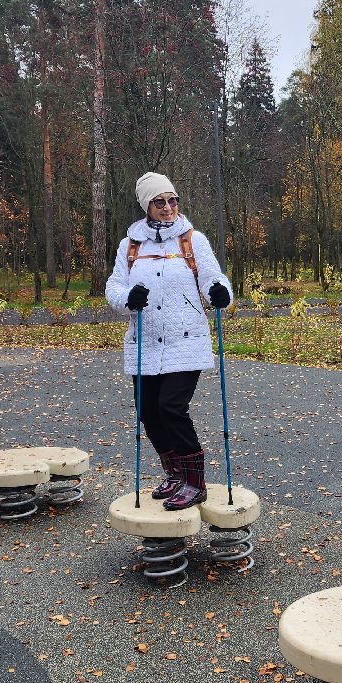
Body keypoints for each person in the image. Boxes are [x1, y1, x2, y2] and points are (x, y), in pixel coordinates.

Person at [106, 172, 232, 511]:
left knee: (171, 408)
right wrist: (129, 299)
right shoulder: (130, 245)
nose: (168, 207)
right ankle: (175, 473)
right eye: (160, 201)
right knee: (148, 412)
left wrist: (220, 293)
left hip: (185, 340)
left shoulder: (193, 239)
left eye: (172, 200)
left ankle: (195, 481)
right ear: (147, 205)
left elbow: (212, 278)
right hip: (144, 342)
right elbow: (114, 287)